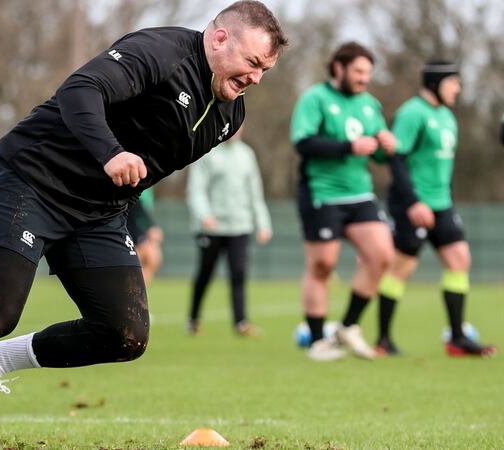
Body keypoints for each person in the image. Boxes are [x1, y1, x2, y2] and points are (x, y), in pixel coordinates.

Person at [0, 1, 287, 441]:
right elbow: (80, 90)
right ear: (220, 38)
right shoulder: (161, 52)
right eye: (252, 63)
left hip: (98, 212)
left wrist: (133, 209)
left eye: (265, 70)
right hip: (31, 179)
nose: (256, 78)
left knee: (125, 334)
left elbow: (149, 165)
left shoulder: (231, 115)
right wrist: (111, 153)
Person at [375, 61, 497, 357]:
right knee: (402, 268)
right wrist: (413, 202)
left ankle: (457, 338)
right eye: (453, 82)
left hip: (442, 204)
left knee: (459, 259)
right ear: (435, 84)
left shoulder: (447, 117)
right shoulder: (412, 113)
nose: (458, 89)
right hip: (412, 204)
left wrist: (447, 200)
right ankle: (384, 340)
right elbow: (397, 159)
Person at [289, 42, 396, 361]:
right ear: (339, 68)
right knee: (322, 265)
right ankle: (317, 342)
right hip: (322, 193)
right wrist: (348, 147)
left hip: (360, 193)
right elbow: (303, 143)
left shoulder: (370, 105)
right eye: (359, 71)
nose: (364, 78)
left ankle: (348, 326)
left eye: (368, 73)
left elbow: (377, 153)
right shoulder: (315, 98)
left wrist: (386, 147)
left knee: (382, 256)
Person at [185, 126, 272, 336]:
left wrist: (263, 224)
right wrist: (204, 214)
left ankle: (240, 323)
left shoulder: (247, 154)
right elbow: (196, 189)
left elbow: (255, 192)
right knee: (206, 273)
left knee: (239, 273)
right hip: (212, 227)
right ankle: (193, 319)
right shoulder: (207, 151)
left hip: (240, 226)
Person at [126, 188, 164, 286]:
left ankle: (137, 291)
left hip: (139, 231)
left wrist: (151, 227)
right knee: (133, 265)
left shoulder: (146, 190)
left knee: (153, 259)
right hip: (127, 232)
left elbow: (142, 211)